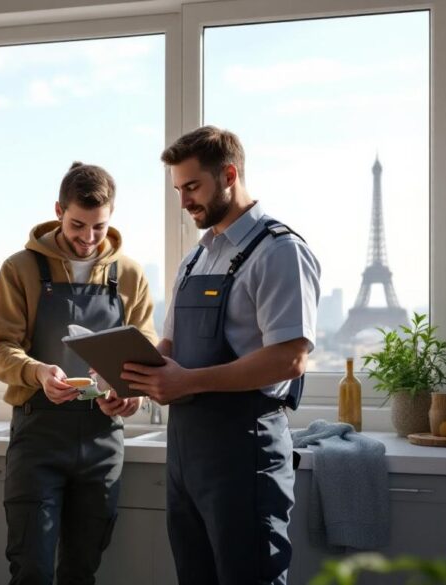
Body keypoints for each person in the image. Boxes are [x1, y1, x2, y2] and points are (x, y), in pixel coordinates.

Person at [120, 126, 321, 585]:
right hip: (187, 456)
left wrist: (186, 383)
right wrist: (126, 378)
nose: (184, 201)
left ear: (229, 174)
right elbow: (169, 347)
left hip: (245, 454)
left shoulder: (279, 252)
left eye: (193, 187)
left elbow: (289, 359)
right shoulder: (196, 259)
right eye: (178, 189)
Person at [0, 162, 157, 585]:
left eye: (99, 227)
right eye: (78, 224)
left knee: (82, 570)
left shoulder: (130, 275)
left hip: (103, 439)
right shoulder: (20, 269)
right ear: (59, 209)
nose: (87, 238)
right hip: (39, 437)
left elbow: (147, 355)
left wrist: (132, 394)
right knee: (32, 570)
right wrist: (38, 371)